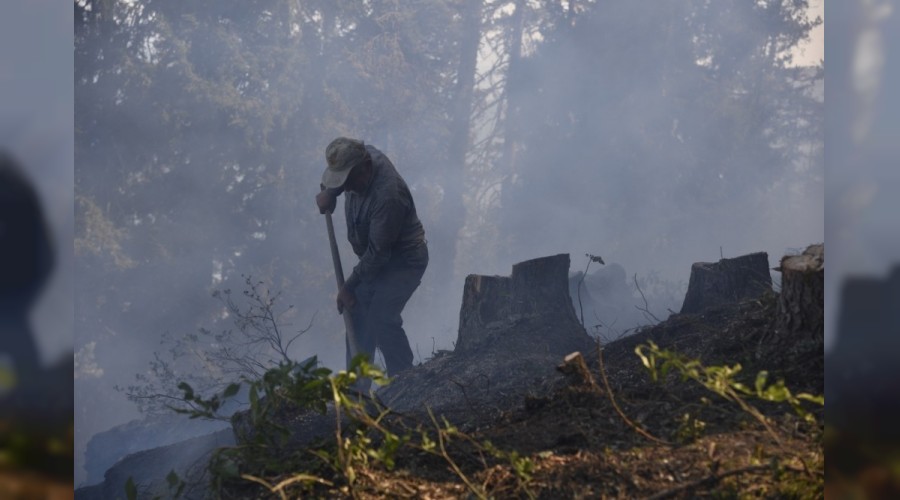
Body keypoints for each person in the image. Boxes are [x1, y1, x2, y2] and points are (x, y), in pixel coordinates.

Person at [316, 137, 428, 376]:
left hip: (404, 260)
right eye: (342, 181)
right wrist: (332, 193)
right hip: (376, 259)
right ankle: (357, 391)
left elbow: (378, 254)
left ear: (365, 167)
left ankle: (404, 380)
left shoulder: (388, 195)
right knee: (356, 313)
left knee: (381, 316)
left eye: (348, 180)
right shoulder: (358, 159)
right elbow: (343, 174)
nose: (347, 187)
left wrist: (348, 285)